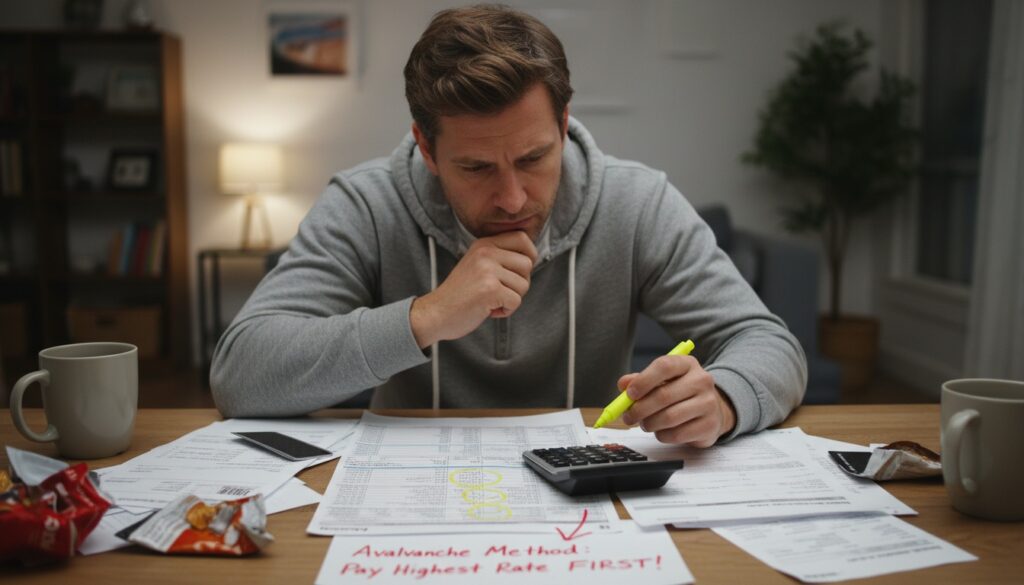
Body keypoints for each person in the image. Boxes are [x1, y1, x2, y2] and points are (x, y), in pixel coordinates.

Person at [211, 4, 806, 447]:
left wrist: (725, 398)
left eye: (533, 158)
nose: (513, 197)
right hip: (409, 492)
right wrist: (427, 316)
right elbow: (241, 374)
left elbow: (769, 343)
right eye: (475, 167)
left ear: (564, 120)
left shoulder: (638, 201)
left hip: (589, 490)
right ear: (425, 145)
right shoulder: (366, 204)